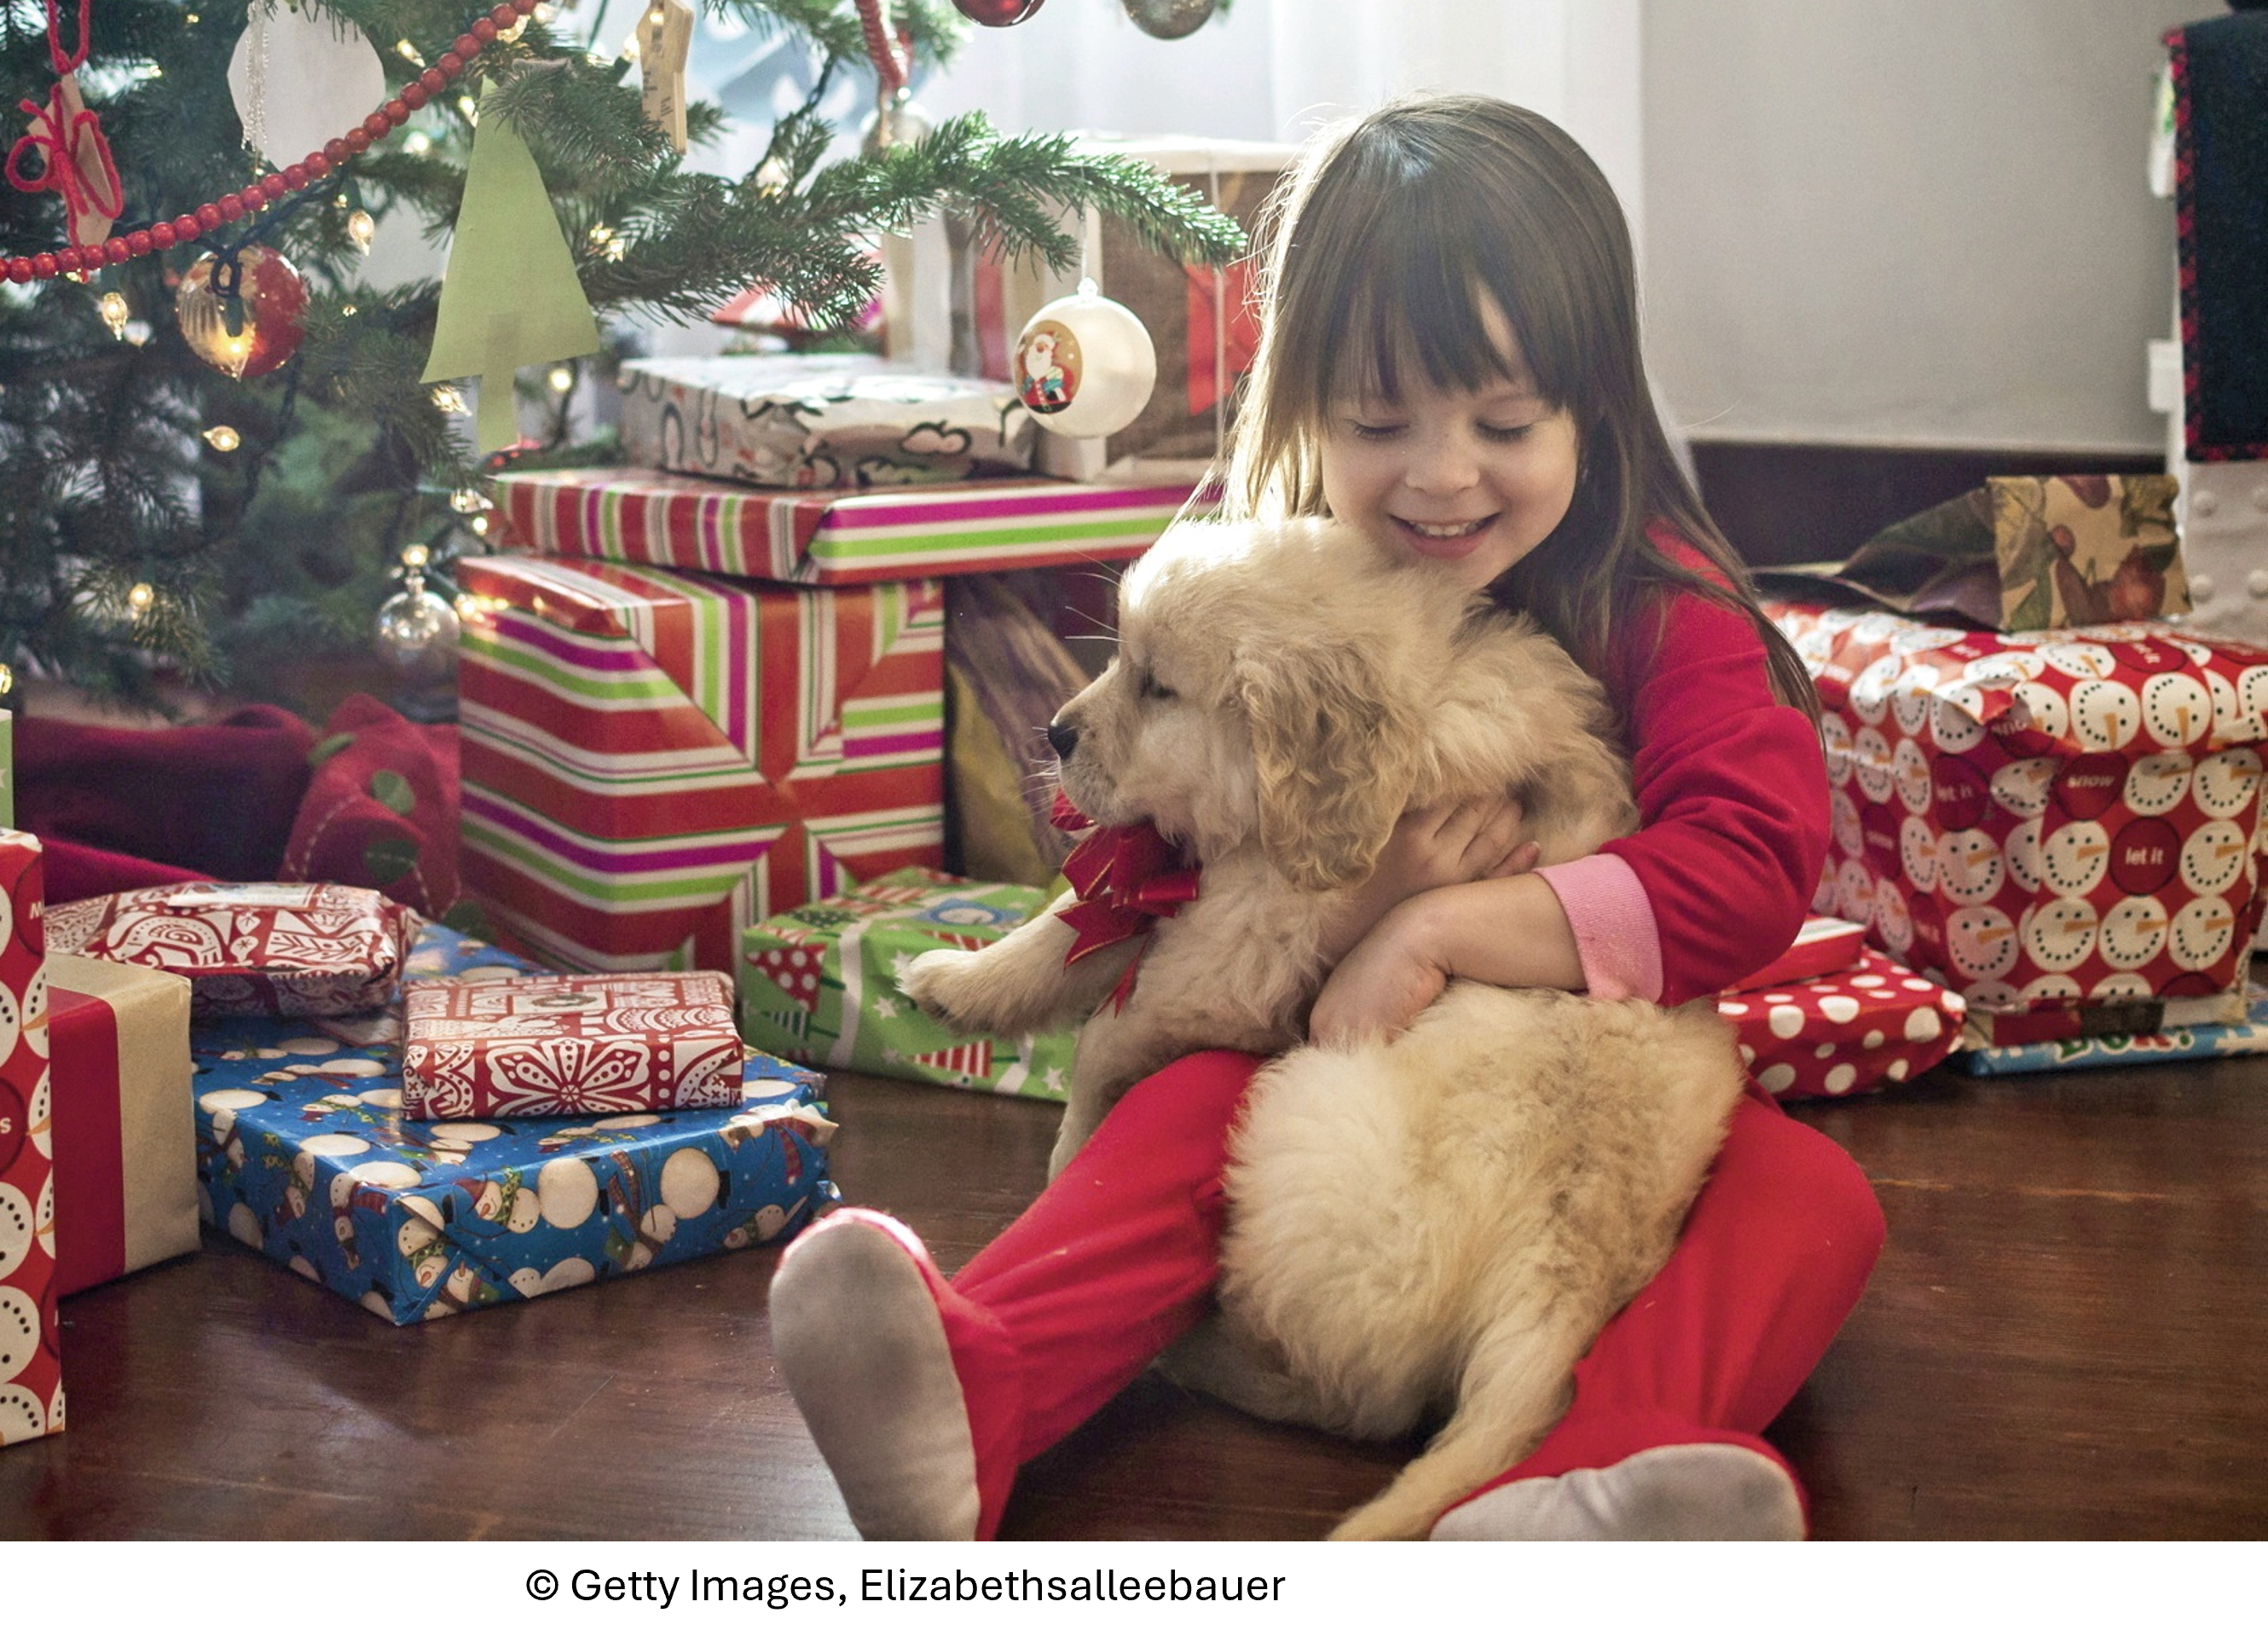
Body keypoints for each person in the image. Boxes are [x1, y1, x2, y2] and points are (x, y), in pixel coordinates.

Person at [765, 92, 1886, 1541]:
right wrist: (1350, 910)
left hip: (1556, 1118)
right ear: (1300, 404)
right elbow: (1142, 825)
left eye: (1503, 422)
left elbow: (1747, 868)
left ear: (1594, 411)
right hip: (1325, 1125)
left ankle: (1581, 1481)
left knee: (1810, 1196)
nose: (1442, 472)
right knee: (1182, 1112)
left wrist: (1435, 929)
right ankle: (972, 1392)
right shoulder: (1267, 555)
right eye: (1377, 421)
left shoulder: (1656, 600)